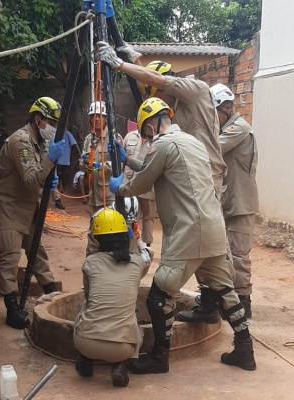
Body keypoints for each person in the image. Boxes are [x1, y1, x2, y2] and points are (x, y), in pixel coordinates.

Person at [109, 98, 256, 374]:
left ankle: (159, 357)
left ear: (150, 125)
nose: (146, 138)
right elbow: (154, 167)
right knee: (225, 290)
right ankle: (245, 350)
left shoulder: (163, 144)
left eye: (145, 132)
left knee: (158, 296)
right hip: (213, 229)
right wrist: (127, 158)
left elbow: (143, 180)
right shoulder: (192, 142)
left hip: (189, 232)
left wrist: (120, 189)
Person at [95, 42, 226, 198]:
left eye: (155, 96)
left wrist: (120, 64)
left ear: (164, 89)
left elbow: (156, 80)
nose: (155, 103)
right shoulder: (167, 115)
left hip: (207, 180)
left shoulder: (197, 91)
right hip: (183, 179)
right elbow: (149, 88)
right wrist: (136, 60)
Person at [0, 96, 66, 329]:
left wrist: (51, 186)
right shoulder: (20, 141)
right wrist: (50, 160)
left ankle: (51, 293)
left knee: (37, 251)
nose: (53, 129)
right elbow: (33, 178)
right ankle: (12, 307)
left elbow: (41, 178)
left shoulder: (39, 141)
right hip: (9, 207)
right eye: (51, 122)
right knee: (10, 257)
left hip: (28, 205)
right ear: (37, 119)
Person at [73, 209, 152, 387]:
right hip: (122, 348)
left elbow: (88, 295)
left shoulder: (90, 263)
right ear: (126, 235)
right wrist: (136, 239)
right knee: (131, 316)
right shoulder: (137, 264)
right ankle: (120, 364)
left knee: (87, 303)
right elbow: (148, 254)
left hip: (85, 342)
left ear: (97, 239)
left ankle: (85, 360)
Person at [210, 83, 259, 319]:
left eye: (214, 112)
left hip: (241, 203)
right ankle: (231, 300)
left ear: (227, 108)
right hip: (231, 201)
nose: (213, 118)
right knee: (227, 254)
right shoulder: (228, 127)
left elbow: (214, 149)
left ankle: (243, 303)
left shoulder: (238, 128)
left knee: (239, 255)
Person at [81, 100, 123, 256]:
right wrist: (86, 162)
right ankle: (92, 266)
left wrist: (101, 166)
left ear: (106, 118)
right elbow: (82, 164)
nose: (97, 119)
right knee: (93, 234)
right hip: (94, 197)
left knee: (111, 232)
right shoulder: (88, 140)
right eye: (93, 116)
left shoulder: (114, 138)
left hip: (110, 196)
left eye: (100, 115)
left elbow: (119, 164)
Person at [123, 129, 157, 247]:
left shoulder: (157, 139)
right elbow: (122, 160)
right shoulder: (130, 136)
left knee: (148, 218)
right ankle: (130, 245)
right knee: (130, 216)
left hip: (149, 186)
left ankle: (147, 247)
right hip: (130, 184)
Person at [57, 130, 82, 194]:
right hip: (59, 159)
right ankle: (60, 187)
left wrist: (80, 155)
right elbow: (75, 144)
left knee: (62, 174)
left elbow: (75, 144)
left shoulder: (67, 133)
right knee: (60, 174)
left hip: (64, 159)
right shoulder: (57, 132)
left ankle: (62, 187)